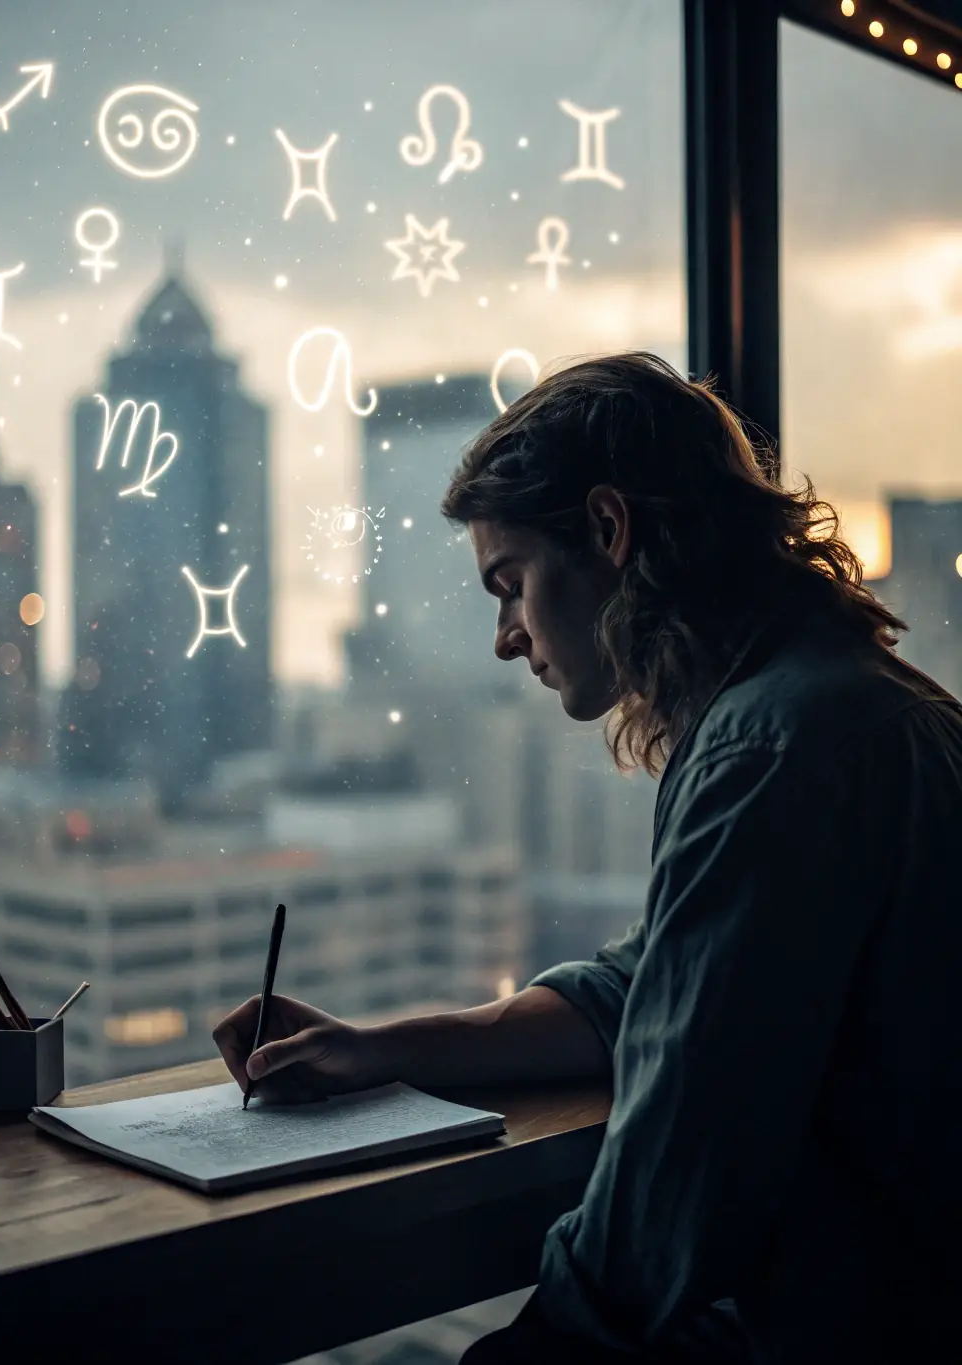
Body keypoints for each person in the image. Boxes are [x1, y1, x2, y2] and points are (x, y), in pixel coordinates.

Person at [214, 354, 962, 1364]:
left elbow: (666, 1203)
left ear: (608, 532)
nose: (503, 637)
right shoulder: (851, 703)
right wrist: (381, 1048)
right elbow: (646, 985)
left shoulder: (766, 751)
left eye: (509, 583)